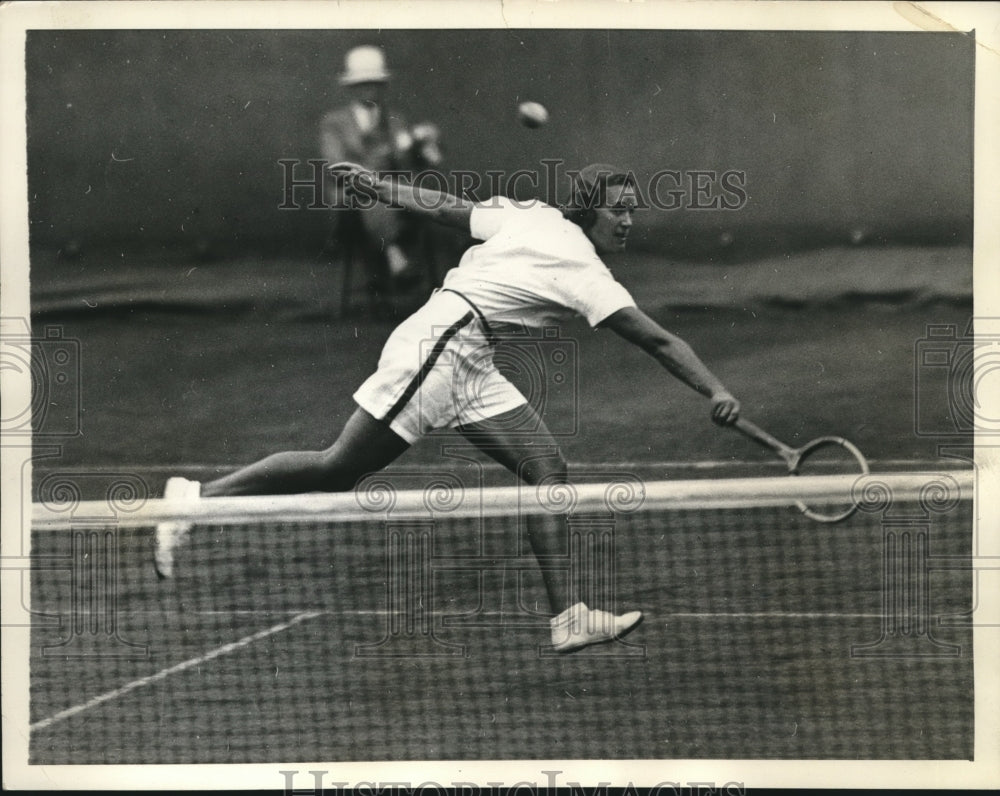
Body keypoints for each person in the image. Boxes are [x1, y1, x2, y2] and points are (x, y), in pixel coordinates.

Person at [155, 162, 742, 653]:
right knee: (339, 468)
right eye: (619, 210)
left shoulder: (534, 215)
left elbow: (444, 207)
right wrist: (714, 390)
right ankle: (196, 500)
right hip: (440, 346)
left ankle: (568, 618)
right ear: (590, 211)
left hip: (472, 356)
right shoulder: (585, 272)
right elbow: (657, 340)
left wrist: (378, 185)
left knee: (546, 469)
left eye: (633, 210)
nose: (629, 221)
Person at [319, 45, 442, 298]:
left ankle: (399, 262)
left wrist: (424, 145)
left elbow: (410, 164)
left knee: (414, 194)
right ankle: (396, 258)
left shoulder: (396, 119)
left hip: (395, 196)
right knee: (373, 195)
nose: (370, 89)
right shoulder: (334, 123)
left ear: (383, 85)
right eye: (363, 84)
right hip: (352, 198)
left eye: (375, 83)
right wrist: (381, 161)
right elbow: (336, 167)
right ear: (352, 88)